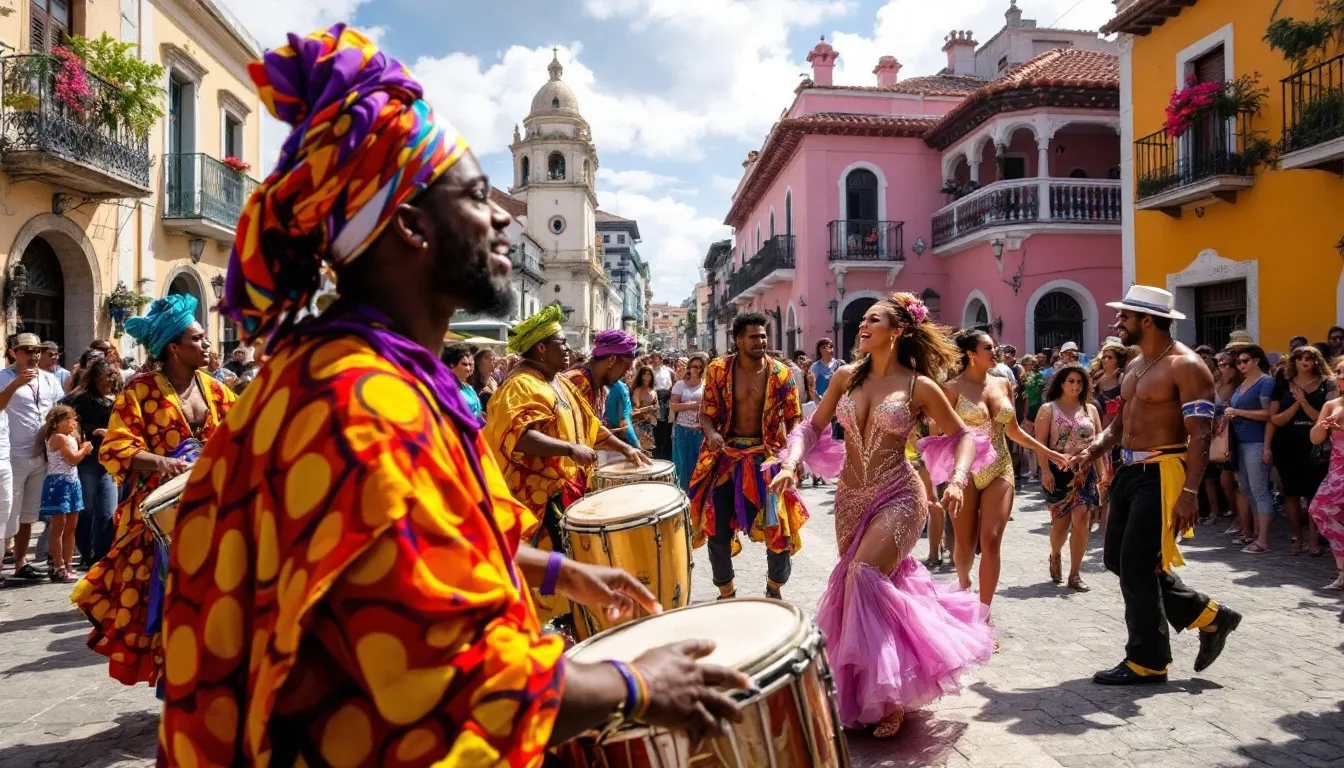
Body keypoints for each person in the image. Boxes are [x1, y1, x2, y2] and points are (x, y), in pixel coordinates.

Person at [158, 26, 748, 764]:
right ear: (408, 225)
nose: (504, 215)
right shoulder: (358, 408)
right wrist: (636, 685)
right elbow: (453, 676)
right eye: (475, 197)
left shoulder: (372, 376)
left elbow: (421, 554)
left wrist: (564, 571)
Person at [769, 292, 993, 738]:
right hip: (850, 498)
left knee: (863, 574)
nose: (863, 326)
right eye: (863, 320)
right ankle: (864, 692)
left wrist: (958, 479)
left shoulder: (919, 386)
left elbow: (964, 436)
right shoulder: (846, 377)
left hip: (899, 495)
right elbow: (811, 428)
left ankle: (890, 697)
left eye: (874, 319)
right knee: (865, 587)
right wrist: (792, 463)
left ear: (899, 330)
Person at [1072, 285, 1240, 685]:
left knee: (1136, 565)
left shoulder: (1186, 366)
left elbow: (1199, 435)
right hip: (1128, 472)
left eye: (1124, 317)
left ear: (1147, 320)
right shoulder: (1136, 364)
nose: (1118, 323)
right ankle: (1208, 615)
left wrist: (1190, 493)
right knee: (1117, 558)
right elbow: (1121, 421)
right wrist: (1093, 451)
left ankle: (1147, 660)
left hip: (1164, 472)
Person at [71, 293, 237, 687]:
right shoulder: (141, 391)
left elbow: (245, 435)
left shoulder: (216, 390)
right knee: (164, 600)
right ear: (174, 347)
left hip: (212, 510)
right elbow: (115, 447)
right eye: (197, 339)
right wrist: (162, 462)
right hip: (158, 518)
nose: (207, 344)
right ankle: (176, 680)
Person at [484, 305, 649, 626]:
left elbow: (590, 426)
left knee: (567, 571)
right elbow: (517, 435)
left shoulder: (558, 382)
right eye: (561, 343)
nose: (569, 350)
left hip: (565, 497)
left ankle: (568, 624)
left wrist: (625, 449)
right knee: (545, 576)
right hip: (536, 504)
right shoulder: (522, 385)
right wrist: (570, 449)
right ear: (541, 348)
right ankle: (543, 632)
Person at [944, 329, 1065, 611]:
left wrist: (1047, 451)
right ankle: (964, 586)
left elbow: (1014, 431)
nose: (995, 350)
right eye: (988, 347)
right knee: (964, 542)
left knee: (992, 539)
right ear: (971, 354)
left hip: (1000, 466)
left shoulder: (1002, 383)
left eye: (994, 346)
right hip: (965, 471)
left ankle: (984, 614)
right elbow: (942, 434)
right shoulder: (951, 388)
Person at [689, 312, 807, 600]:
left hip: (766, 462)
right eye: (754, 337)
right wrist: (712, 434)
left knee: (776, 527)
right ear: (739, 340)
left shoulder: (781, 373)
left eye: (764, 336)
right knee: (715, 528)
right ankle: (726, 592)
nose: (761, 341)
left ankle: (774, 588)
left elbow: (793, 417)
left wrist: (793, 452)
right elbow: (706, 414)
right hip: (726, 459)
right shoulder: (717, 370)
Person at [0, 333, 63, 582]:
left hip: (41, 455)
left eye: (37, 350)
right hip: (13, 455)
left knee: (28, 514)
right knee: (7, 513)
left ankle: (20, 562)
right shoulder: (3, 378)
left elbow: (58, 409)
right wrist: (15, 384)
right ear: (14, 352)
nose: (34, 355)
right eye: (27, 350)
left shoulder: (49, 380)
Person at [1035, 364, 1102, 591]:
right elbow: (1040, 445)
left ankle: (1075, 574)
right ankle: (1055, 554)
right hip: (1058, 472)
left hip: (1084, 472)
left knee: (1082, 518)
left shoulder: (1091, 410)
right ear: (1062, 384)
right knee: (1061, 525)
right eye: (1071, 381)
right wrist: (1044, 470)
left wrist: (1103, 475)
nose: (1075, 385)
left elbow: (1099, 443)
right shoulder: (1048, 409)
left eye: (1079, 382)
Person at [1268, 345, 1335, 555]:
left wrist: (1303, 401)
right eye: (1299, 358)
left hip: (1315, 446)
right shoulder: (1282, 384)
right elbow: (1275, 418)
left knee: (1313, 493)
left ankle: (1314, 540)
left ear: (1317, 361)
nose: (1304, 361)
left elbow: (1321, 418)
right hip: (1286, 444)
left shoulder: (1326, 384)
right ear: (1293, 362)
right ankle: (1296, 538)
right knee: (1291, 493)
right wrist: (1297, 404)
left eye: (1309, 357)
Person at [65, 358, 120, 569]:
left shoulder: (118, 398)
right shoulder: (83, 399)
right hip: (88, 458)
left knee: (108, 510)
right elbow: (73, 424)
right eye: (108, 375)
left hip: (111, 459)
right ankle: (86, 552)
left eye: (114, 374)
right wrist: (92, 431)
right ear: (97, 377)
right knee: (86, 510)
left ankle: (101, 556)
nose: (112, 378)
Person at [1226, 344, 1276, 553]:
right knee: (1246, 489)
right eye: (1238, 362)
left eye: (1245, 361)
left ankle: (1263, 541)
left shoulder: (1266, 382)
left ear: (1256, 361)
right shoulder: (1244, 382)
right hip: (1239, 443)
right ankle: (1256, 534)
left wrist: (1237, 412)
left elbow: (1268, 415)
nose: (1240, 365)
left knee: (1260, 491)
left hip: (1256, 442)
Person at [38, 404, 90, 582]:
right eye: (69, 419)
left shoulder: (71, 437)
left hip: (73, 482)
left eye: (74, 419)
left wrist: (83, 445)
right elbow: (74, 459)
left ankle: (68, 563)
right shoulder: (58, 437)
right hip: (58, 483)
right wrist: (85, 449)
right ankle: (58, 565)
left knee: (71, 527)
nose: (73, 423)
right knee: (58, 527)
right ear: (58, 422)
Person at [1092, 340, 1129, 531]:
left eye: (1110, 357)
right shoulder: (1097, 378)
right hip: (1098, 433)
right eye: (1104, 356)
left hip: (1116, 435)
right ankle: (1099, 516)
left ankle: (1111, 519)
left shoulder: (1122, 378)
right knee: (1100, 478)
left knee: (1113, 478)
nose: (1105, 360)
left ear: (1117, 360)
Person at [562, 329, 637, 424]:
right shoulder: (578, 382)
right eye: (625, 368)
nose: (625, 374)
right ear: (612, 360)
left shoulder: (602, 390)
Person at [1308, 390, 1344, 589]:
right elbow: (1315, 438)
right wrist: (1322, 426)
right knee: (1318, 510)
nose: (1342, 376)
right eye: (1339, 372)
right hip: (1336, 470)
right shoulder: (1331, 405)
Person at [670, 353, 707, 493]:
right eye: (692, 366)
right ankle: (683, 495)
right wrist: (696, 404)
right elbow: (674, 406)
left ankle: (697, 496)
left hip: (700, 430)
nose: (695, 369)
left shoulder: (706, 384)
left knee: (698, 464)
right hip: (683, 429)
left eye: (698, 367)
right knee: (682, 465)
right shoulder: (680, 385)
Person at [443, 342, 483, 421]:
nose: (468, 369)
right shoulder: (441, 389)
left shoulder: (469, 389)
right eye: (464, 364)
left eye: (469, 365)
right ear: (451, 365)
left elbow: (479, 414)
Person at [649, 350, 675, 460]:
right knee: (655, 425)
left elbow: (671, 382)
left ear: (660, 359)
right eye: (653, 359)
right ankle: (656, 451)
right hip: (654, 396)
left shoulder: (667, 370)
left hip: (665, 396)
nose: (656, 361)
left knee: (665, 425)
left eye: (657, 358)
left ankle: (665, 453)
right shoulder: (649, 371)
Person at [631, 365, 659, 452]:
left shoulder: (653, 391)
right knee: (642, 449)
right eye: (644, 374)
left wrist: (653, 412)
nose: (647, 376)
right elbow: (635, 410)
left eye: (649, 374)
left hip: (650, 424)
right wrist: (648, 409)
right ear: (641, 376)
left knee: (650, 449)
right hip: (640, 424)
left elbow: (657, 406)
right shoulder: (638, 390)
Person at [470, 346, 498, 411]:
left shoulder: (493, 380)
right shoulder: (472, 381)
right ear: (478, 362)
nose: (491, 359)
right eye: (487, 357)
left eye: (493, 358)